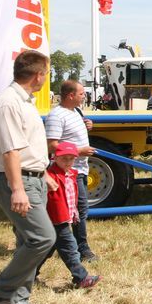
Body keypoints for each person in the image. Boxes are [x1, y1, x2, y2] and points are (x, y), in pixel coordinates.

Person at [0, 50, 55, 304]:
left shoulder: (23, 101)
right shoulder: (8, 104)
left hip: (32, 178)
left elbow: (26, 146)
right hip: (18, 179)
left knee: (27, 239)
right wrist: (18, 189)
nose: (45, 78)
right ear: (38, 75)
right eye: (46, 74)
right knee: (43, 238)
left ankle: (19, 302)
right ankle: (1, 292)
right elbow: (10, 151)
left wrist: (43, 173)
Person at [44, 80, 99, 262]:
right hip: (68, 171)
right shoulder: (56, 115)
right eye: (82, 93)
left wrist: (87, 126)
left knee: (78, 210)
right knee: (78, 210)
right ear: (70, 96)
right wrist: (79, 151)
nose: (85, 96)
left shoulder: (75, 111)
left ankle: (67, 247)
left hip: (79, 169)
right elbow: (52, 146)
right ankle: (81, 249)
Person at [36, 142, 101, 289]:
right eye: (64, 158)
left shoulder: (72, 175)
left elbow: (72, 197)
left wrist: (74, 213)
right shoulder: (50, 176)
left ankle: (28, 274)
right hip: (55, 219)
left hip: (65, 217)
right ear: (55, 158)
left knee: (46, 250)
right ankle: (81, 277)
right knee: (70, 248)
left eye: (71, 159)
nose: (68, 162)